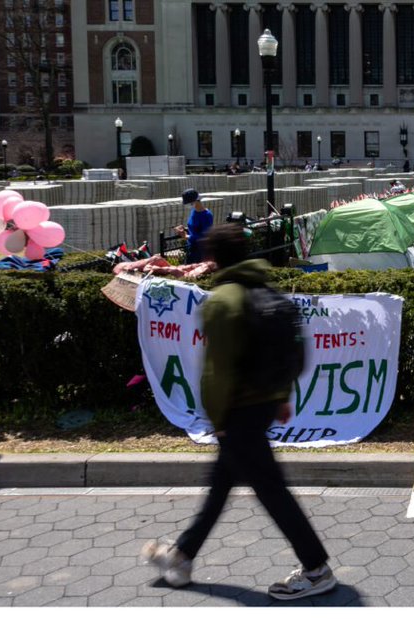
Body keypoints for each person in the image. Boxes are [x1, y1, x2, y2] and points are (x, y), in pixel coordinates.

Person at [141, 224, 335, 600]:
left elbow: (218, 371)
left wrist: (218, 421)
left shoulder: (222, 301)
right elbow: (285, 351)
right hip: (262, 404)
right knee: (221, 484)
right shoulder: (263, 288)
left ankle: (316, 569)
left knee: (271, 491)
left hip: (239, 412)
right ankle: (182, 556)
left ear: (212, 258)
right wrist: (279, 396)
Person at [178, 189, 213, 264]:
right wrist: (184, 229)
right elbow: (194, 227)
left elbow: (205, 236)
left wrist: (186, 236)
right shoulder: (193, 212)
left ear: (195, 201)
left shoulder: (206, 216)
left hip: (200, 251)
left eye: (188, 203)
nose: (187, 205)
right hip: (191, 247)